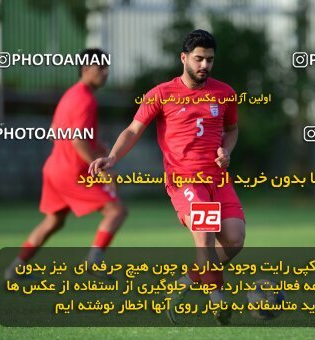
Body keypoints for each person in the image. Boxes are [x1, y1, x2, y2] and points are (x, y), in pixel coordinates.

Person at [88, 30, 245, 325]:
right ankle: (218, 299)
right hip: (185, 180)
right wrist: (112, 158)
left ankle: (184, 283)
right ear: (184, 58)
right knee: (205, 239)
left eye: (210, 60)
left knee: (235, 241)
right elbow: (133, 130)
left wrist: (227, 149)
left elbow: (232, 129)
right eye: (198, 59)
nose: (205, 66)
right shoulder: (161, 93)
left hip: (218, 180)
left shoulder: (225, 93)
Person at [5, 48, 127, 279]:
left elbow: (55, 132)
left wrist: (96, 143)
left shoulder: (71, 95)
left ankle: (15, 268)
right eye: (100, 68)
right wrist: (100, 170)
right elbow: (77, 139)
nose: (106, 72)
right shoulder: (86, 100)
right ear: (85, 69)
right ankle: (94, 263)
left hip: (53, 169)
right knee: (116, 211)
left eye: (107, 67)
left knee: (54, 221)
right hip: (73, 171)